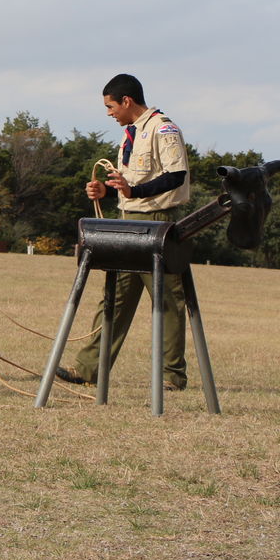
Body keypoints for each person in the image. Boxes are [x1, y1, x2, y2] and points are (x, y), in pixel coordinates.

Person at [56, 73, 191, 391]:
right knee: (113, 298)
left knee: (168, 298)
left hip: (158, 221)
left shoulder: (163, 128)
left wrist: (136, 191)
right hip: (127, 220)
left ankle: (172, 374)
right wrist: (104, 189)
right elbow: (128, 181)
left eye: (110, 106)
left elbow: (176, 175)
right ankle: (88, 369)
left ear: (127, 101)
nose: (108, 113)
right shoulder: (130, 133)